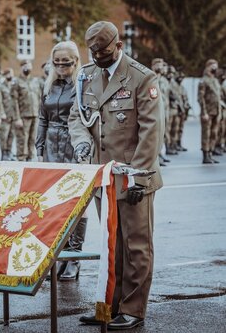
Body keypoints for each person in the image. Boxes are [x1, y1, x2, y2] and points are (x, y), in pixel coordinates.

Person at [68, 21, 164, 330]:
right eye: (93, 53)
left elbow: (151, 133)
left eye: (104, 52)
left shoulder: (140, 77)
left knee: (135, 245)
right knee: (111, 245)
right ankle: (109, 307)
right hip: (104, 178)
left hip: (133, 178)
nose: (98, 58)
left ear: (118, 46)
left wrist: (139, 176)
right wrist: (82, 143)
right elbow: (77, 116)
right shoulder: (87, 75)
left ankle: (133, 309)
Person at [35, 40, 88, 281]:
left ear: (76, 61)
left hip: (75, 144)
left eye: (65, 63)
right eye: (56, 63)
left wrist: (84, 149)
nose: (60, 67)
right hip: (51, 145)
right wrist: (39, 147)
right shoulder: (49, 85)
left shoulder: (83, 84)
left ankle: (74, 257)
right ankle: (57, 256)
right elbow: (42, 117)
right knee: (54, 203)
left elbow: (87, 119)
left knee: (78, 202)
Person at [11, 60, 41, 161]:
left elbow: (39, 98)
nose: (27, 67)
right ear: (21, 68)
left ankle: (29, 159)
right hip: (23, 115)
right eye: (24, 65)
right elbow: (14, 101)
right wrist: (17, 118)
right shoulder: (17, 82)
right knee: (22, 139)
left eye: (29, 65)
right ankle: (21, 159)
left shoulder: (35, 81)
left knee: (32, 139)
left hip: (35, 114)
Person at [198, 59, 222, 164]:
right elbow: (200, 98)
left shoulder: (215, 80)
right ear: (208, 67)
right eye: (213, 66)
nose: (215, 68)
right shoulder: (204, 80)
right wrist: (204, 112)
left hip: (217, 111)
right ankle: (205, 155)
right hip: (208, 111)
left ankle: (211, 153)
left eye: (216, 66)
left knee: (214, 133)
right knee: (206, 134)